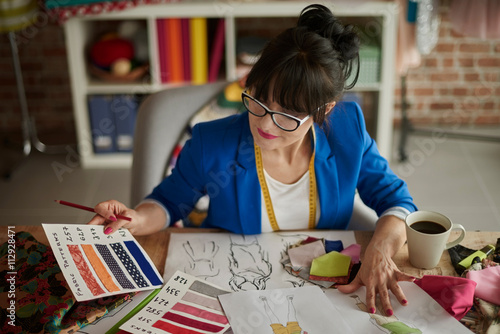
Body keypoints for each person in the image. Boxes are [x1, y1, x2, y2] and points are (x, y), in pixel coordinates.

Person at [88, 4, 418, 316]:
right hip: (241, 288)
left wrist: (380, 248)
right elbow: (167, 203)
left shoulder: (347, 128)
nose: (264, 124)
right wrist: (134, 219)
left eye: (287, 114)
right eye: (259, 99)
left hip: (324, 290)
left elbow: (397, 201)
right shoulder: (211, 142)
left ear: (324, 110)